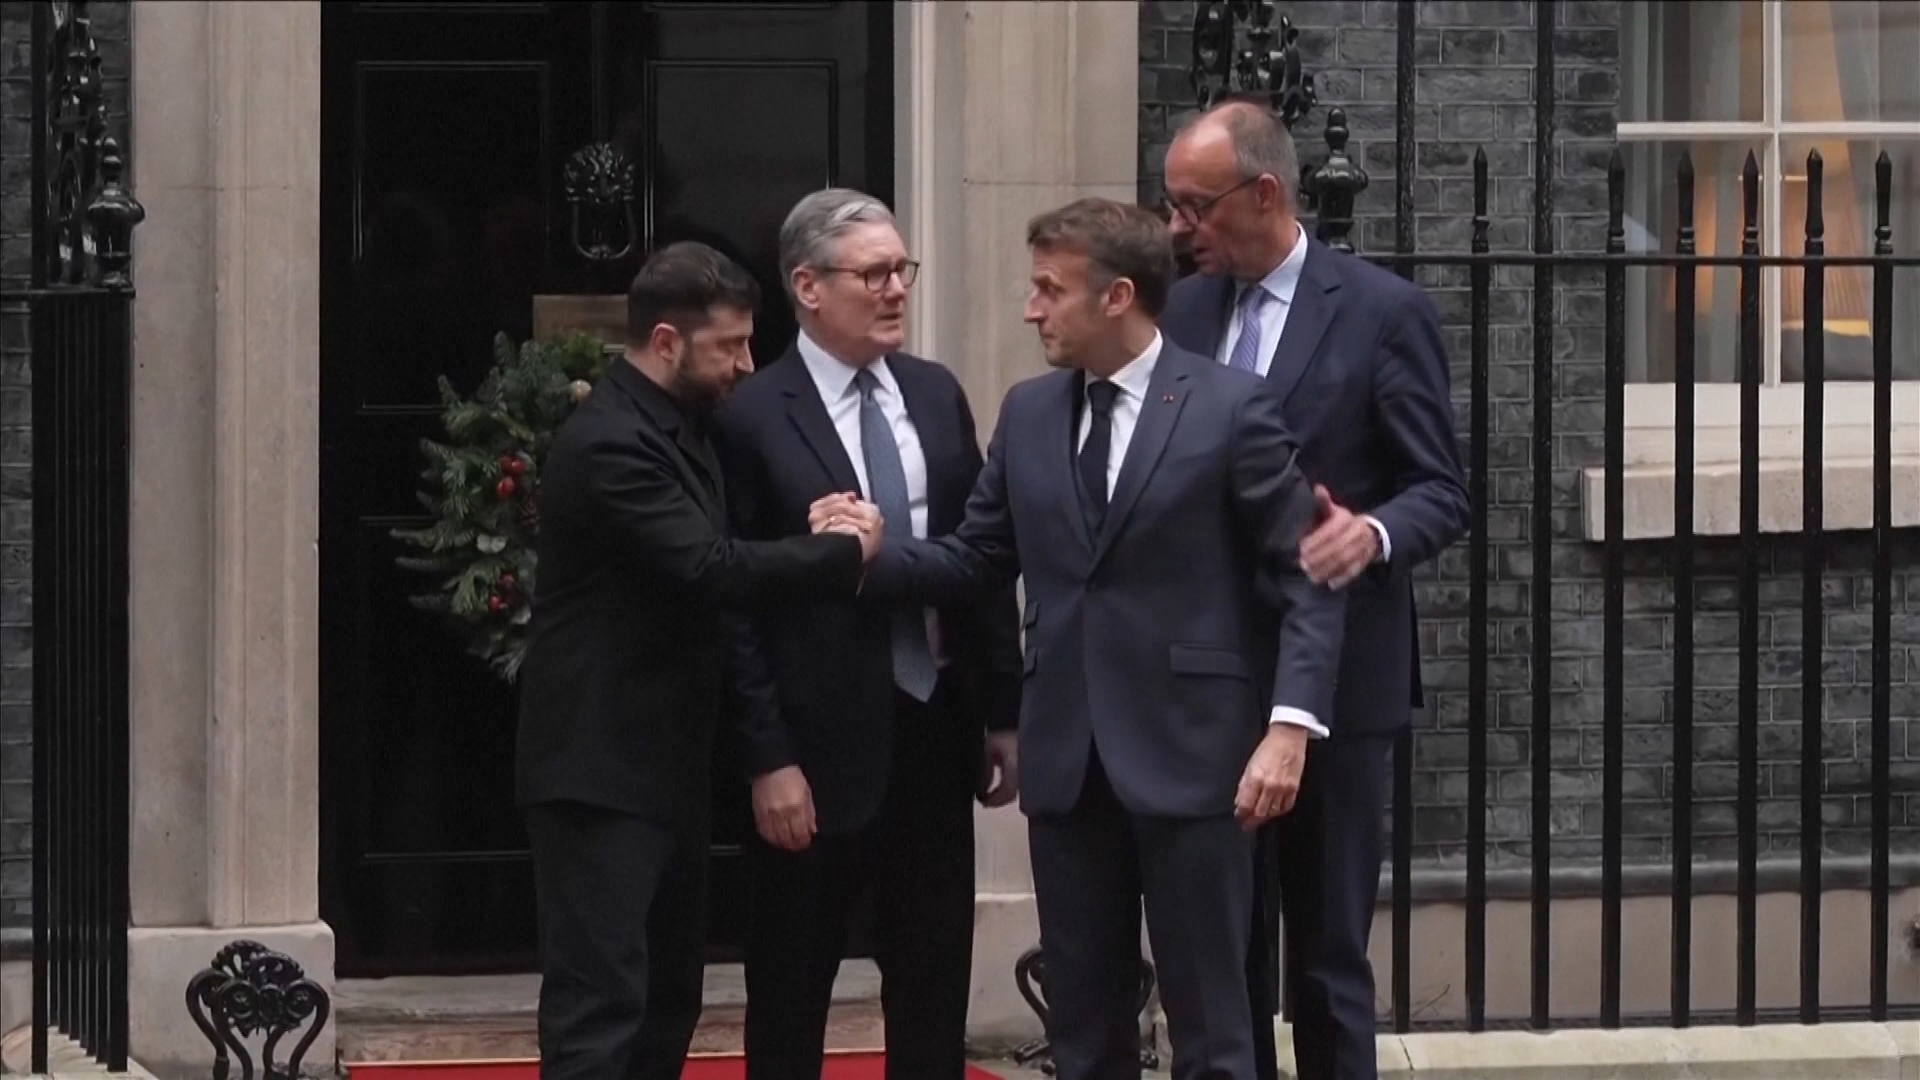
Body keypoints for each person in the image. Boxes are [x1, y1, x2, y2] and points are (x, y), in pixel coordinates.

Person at [814, 197, 1346, 1080]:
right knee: (1084, 1031)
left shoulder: (1229, 408)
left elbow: (1308, 575)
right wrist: (875, 553)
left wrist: (1290, 727)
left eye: (1049, 290)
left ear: (1117, 296)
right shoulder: (1028, 413)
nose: (1031, 310)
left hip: (1198, 758)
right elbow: (978, 556)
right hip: (1069, 762)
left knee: (1213, 1026)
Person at [1157, 100, 1470, 1080]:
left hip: (1341, 680)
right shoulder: (1183, 311)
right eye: (1170, 205)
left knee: (1328, 953)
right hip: (1212, 672)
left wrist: (1369, 534)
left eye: (1195, 206)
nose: (1179, 228)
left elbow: (1442, 491)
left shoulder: (1381, 311)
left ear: (1265, 193)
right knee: (1225, 949)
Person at [514, 241, 880, 1080]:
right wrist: (842, 552)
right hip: (599, 773)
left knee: (667, 998)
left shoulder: (681, 428)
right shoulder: (612, 440)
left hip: (664, 768)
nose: (747, 365)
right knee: (602, 1005)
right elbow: (707, 566)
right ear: (667, 342)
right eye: (731, 347)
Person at [713, 188, 1023, 1080]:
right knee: (792, 986)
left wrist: (1002, 711)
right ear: (807, 286)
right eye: (874, 273)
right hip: (811, 748)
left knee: (931, 980)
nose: (896, 290)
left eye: (902, 270)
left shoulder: (934, 393)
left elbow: (981, 557)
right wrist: (767, 757)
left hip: (935, 725)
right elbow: (734, 601)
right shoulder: (750, 413)